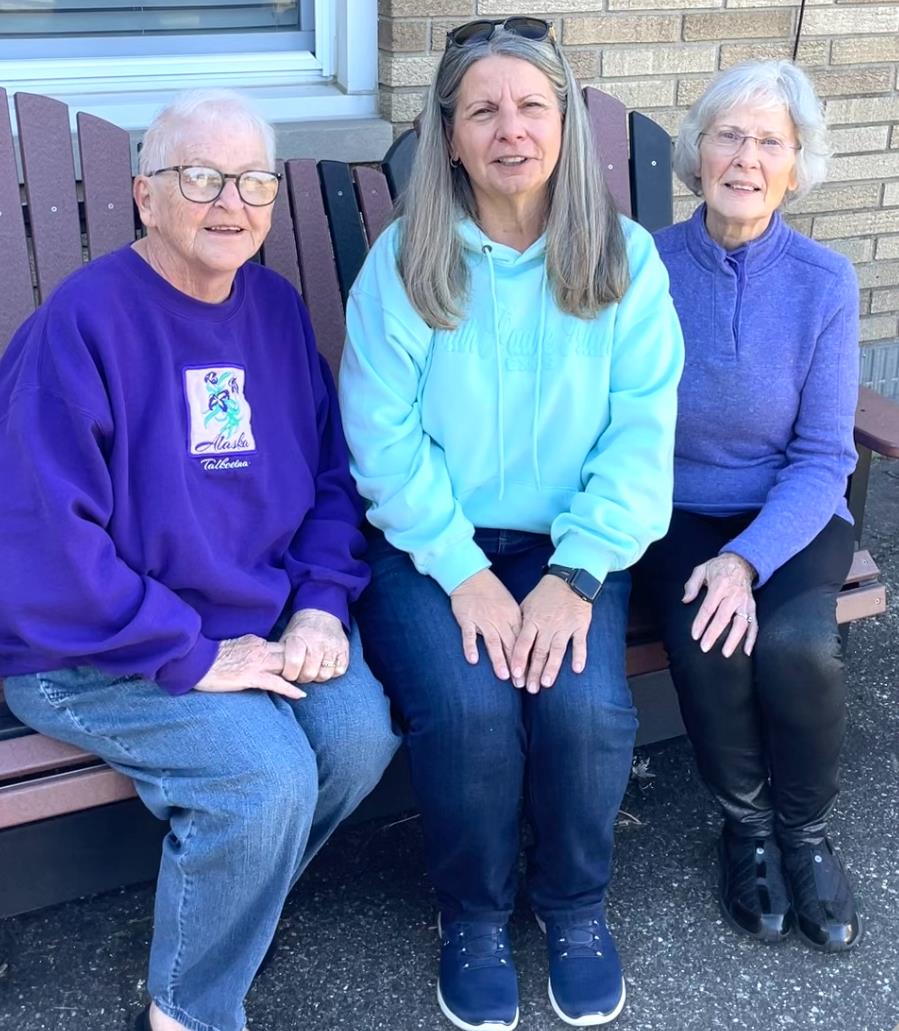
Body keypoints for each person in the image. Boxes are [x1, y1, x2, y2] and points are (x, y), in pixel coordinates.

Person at [0, 90, 399, 1031]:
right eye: (201, 177)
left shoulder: (275, 311)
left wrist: (321, 606)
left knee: (358, 734)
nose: (233, 203)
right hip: (91, 650)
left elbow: (332, 478)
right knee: (263, 779)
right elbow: (44, 543)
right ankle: (190, 1009)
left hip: (253, 620)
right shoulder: (82, 326)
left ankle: (224, 915)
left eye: (254, 180)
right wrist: (194, 653)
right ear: (145, 194)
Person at [339, 17, 683, 1030]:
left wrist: (575, 576)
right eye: (482, 109)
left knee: (583, 710)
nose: (510, 129)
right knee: (473, 708)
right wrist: (460, 569)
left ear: (567, 125)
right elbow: (381, 437)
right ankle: (476, 916)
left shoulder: (625, 261)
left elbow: (640, 433)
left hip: (575, 542)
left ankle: (574, 906)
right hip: (429, 543)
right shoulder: (406, 262)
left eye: (533, 105)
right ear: (448, 135)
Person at [638, 60, 862, 952]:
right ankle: (747, 829)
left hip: (792, 503)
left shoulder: (823, 280)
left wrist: (746, 559)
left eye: (769, 140)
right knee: (708, 638)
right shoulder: (645, 268)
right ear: (697, 152)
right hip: (674, 506)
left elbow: (821, 456)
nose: (745, 156)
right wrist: (705, 559)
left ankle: (803, 836)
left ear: (794, 163)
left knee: (796, 642)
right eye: (728, 134)